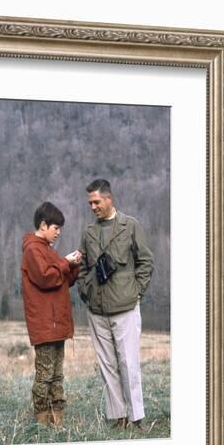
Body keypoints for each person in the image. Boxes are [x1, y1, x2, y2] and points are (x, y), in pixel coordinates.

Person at [77, 179, 153, 430]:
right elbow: (82, 267)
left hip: (125, 309)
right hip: (96, 311)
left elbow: (145, 262)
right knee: (107, 366)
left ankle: (137, 418)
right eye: (90, 203)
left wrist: (136, 293)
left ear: (109, 199)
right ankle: (118, 417)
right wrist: (84, 291)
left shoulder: (130, 226)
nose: (93, 207)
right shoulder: (88, 232)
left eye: (96, 202)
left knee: (128, 363)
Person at [21, 202, 81, 428]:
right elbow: (47, 278)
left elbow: (62, 280)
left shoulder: (47, 249)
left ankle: (57, 416)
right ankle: (41, 417)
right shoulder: (33, 250)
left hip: (56, 324)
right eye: (56, 227)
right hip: (45, 324)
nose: (58, 232)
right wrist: (65, 262)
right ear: (43, 225)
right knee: (45, 374)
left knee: (57, 373)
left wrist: (73, 265)